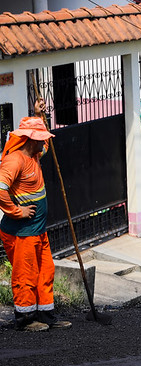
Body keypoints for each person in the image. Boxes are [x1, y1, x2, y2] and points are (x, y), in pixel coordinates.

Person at [0, 99, 71, 332]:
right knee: (25, 275)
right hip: (21, 233)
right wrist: (16, 210)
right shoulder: (15, 160)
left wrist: (39, 115)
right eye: (41, 138)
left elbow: (47, 144)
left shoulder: (35, 154)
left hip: (38, 230)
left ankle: (46, 314)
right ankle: (26, 319)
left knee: (45, 270)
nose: (45, 142)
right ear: (31, 139)